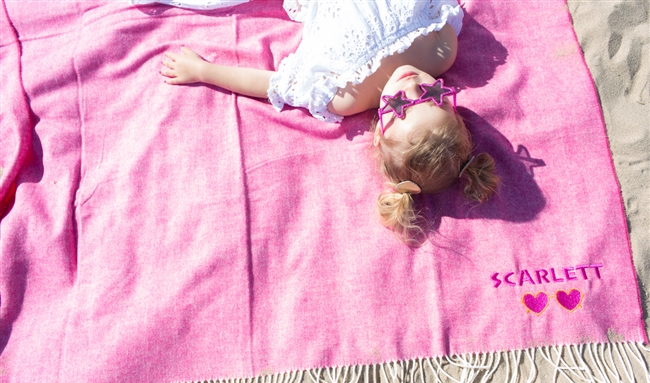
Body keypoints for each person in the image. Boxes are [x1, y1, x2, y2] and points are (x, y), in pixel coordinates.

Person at [159, 0, 499, 243]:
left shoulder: (344, 96)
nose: (411, 84)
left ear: (379, 134)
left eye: (400, 105)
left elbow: (274, 85)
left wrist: (203, 71)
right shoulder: (440, 48)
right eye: (432, 95)